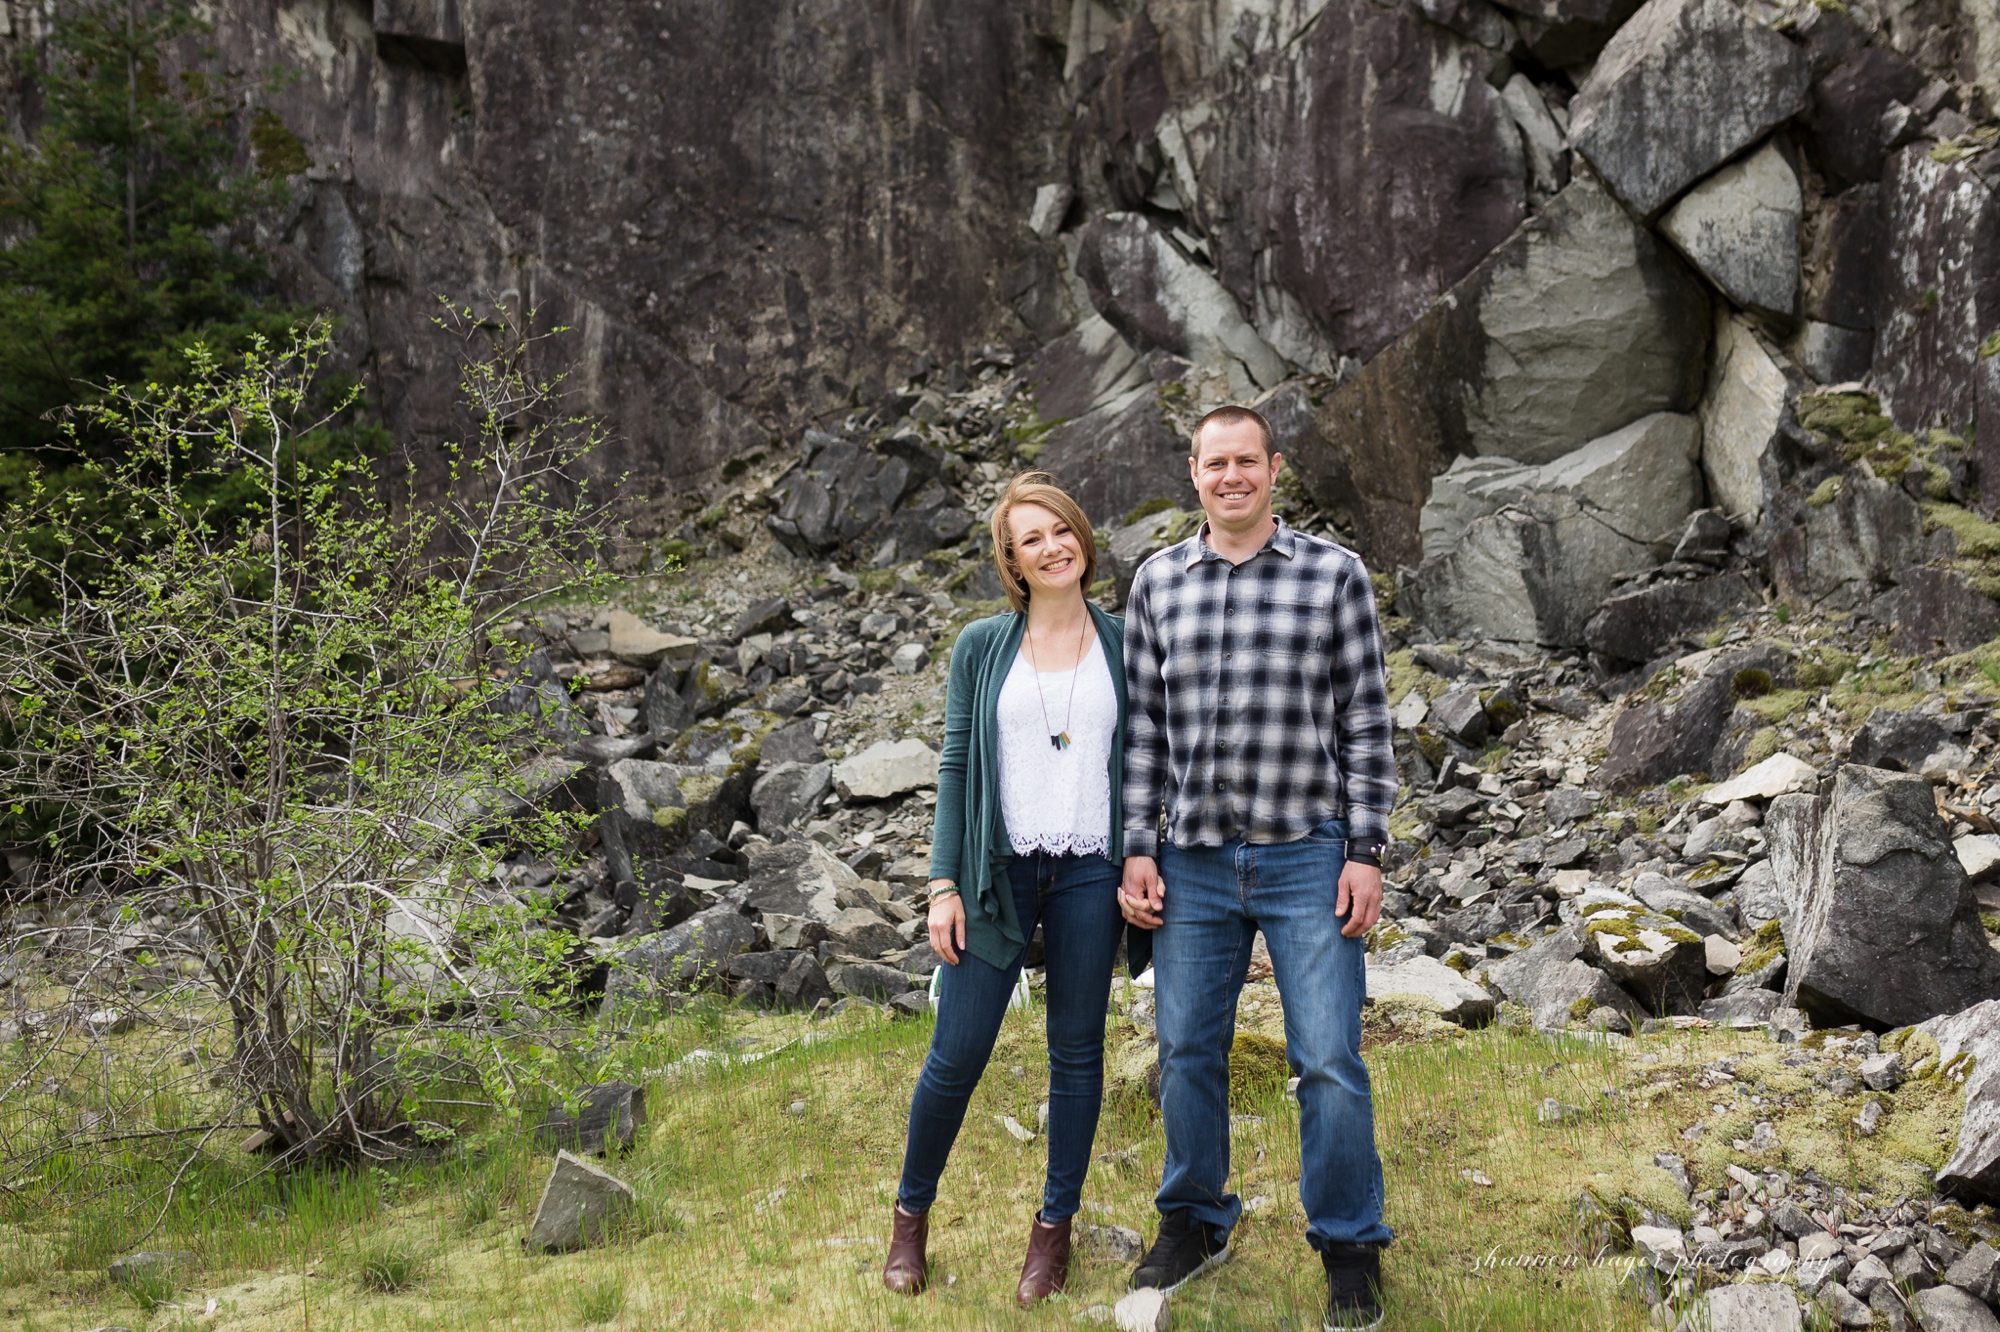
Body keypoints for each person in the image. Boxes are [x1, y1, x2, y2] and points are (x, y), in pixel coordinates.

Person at [1117, 406, 1397, 1331]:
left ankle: (1350, 1246)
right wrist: (1138, 846)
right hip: (1191, 859)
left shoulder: (1334, 576)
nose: (1231, 476)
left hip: (1308, 853)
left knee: (1327, 1058)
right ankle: (1196, 1221)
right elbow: (1142, 731)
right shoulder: (1157, 583)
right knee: (1188, 1051)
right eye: (1214, 463)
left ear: (1274, 469)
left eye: (1247, 461)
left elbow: (1366, 721)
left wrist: (1366, 851)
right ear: (1192, 475)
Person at [882, 472, 1148, 1307]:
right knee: (955, 1054)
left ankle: (1052, 1234)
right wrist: (941, 883)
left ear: (1082, 538)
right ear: (1012, 560)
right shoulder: (979, 647)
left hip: (1090, 871)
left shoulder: (1127, 642)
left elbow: (1146, 762)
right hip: (995, 870)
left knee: (1076, 1054)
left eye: (1061, 530)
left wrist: (1145, 855)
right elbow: (957, 764)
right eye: (1031, 539)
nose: (1052, 546)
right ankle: (909, 1218)